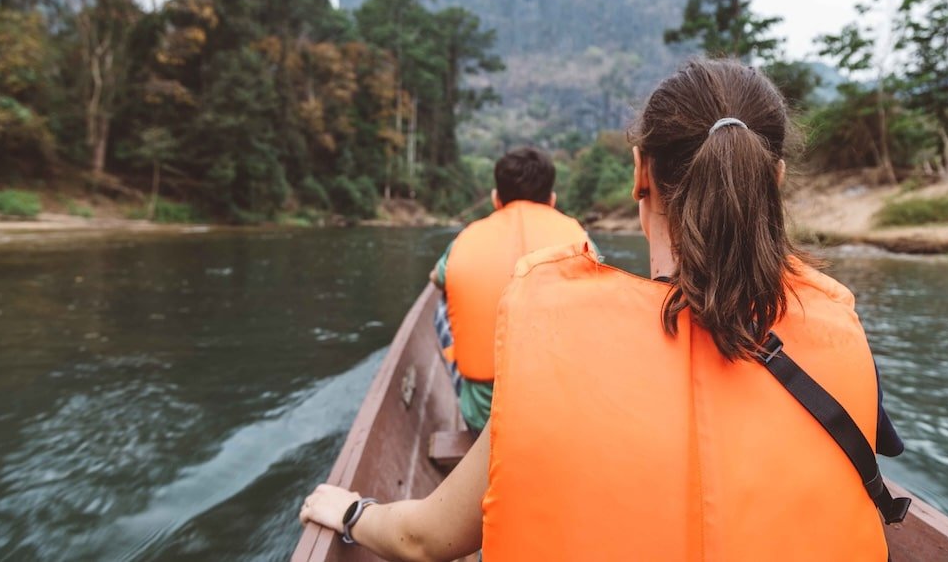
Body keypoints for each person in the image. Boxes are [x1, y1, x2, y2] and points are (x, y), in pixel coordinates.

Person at [299, 59, 904, 561]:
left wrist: (353, 511)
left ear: (642, 172)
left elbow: (424, 538)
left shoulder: (558, 343)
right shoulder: (840, 334)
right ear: (774, 179)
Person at [428, 146, 589, 433]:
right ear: (552, 200)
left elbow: (436, 278)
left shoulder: (466, 239)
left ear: (495, 199)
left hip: (484, 421)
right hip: (560, 412)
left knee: (441, 300)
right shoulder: (579, 239)